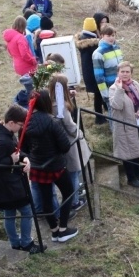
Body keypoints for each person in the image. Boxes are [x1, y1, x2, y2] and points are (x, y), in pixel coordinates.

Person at [0, 105, 44, 254]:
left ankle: (15, 243)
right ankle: (27, 243)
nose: (21, 129)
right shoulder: (2, 140)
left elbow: (15, 148)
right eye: (20, 125)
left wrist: (24, 157)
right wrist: (10, 160)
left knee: (9, 214)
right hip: (9, 186)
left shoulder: (4, 132)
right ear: (11, 123)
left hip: (6, 185)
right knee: (27, 212)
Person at [20, 89, 78, 243]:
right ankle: (63, 229)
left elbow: (23, 148)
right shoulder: (52, 121)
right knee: (69, 192)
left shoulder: (25, 122)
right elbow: (65, 146)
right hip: (56, 165)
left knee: (46, 199)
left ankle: (54, 231)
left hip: (38, 168)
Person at [49, 73, 90, 213]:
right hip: (69, 140)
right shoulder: (59, 106)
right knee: (74, 171)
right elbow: (69, 124)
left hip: (61, 140)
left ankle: (74, 197)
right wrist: (79, 133)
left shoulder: (50, 101)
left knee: (72, 171)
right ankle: (74, 201)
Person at [109, 61, 139, 188]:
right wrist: (120, 90)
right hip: (124, 127)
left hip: (138, 123)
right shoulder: (113, 88)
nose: (125, 74)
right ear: (118, 73)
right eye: (122, 72)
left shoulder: (135, 84)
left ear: (131, 73)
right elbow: (116, 106)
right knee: (128, 153)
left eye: (127, 72)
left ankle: (138, 172)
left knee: (137, 150)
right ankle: (131, 178)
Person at [76, 17, 107, 125]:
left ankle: (102, 114)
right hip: (95, 73)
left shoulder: (82, 41)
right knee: (99, 95)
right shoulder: (93, 44)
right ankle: (99, 118)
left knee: (98, 95)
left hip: (88, 73)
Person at [92, 24, 123, 129]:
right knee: (113, 113)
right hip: (110, 89)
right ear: (102, 36)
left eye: (113, 35)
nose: (111, 38)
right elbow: (99, 77)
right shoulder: (98, 53)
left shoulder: (117, 48)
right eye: (108, 35)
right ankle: (115, 134)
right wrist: (105, 94)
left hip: (122, 86)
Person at [4, 16, 37, 108]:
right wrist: (33, 60)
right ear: (23, 26)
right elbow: (25, 54)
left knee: (28, 86)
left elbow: (10, 52)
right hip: (26, 65)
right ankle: (32, 106)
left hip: (17, 65)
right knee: (33, 88)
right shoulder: (20, 38)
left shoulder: (10, 38)